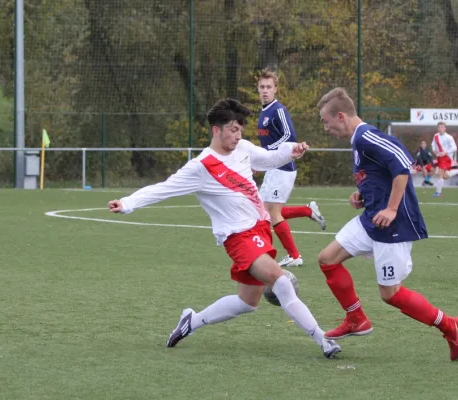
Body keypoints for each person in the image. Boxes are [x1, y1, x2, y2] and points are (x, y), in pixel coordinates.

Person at [108, 98, 341, 358]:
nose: (238, 135)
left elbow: (268, 159)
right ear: (216, 130)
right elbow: (164, 188)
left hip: (261, 229)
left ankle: (191, 321)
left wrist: (291, 151)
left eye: (240, 129)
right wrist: (127, 202)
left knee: (247, 302)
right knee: (281, 281)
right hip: (238, 238)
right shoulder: (201, 166)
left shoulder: (242, 147)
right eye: (232, 129)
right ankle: (324, 340)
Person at [315, 87, 458, 361]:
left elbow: (401, 166)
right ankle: (356, 319)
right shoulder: (358, 141)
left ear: (340, 116)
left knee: (390, 294)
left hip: (392, 225)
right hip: (371, 218)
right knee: (327, 259)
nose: (326, 128)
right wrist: (363, 194)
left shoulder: (366, 137)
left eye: (326, 122)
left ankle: (450, 325)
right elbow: (379, 173)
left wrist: (392, 208)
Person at [257, 68, 326, 268]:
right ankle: (307, 211)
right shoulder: (263, 113)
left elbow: (289, 136)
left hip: (283, 168)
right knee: (264, 211)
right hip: (273, 168)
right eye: (262, 87)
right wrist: (261, 162)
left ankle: (294, 255)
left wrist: (267, 153)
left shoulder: (278, 110)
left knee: (272, 213)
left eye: (269, 87)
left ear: (275, 89)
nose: (265, 90)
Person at [431, 122, 458, 197]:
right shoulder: (435, 136)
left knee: (440, 173)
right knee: (444, 176)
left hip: (446, 158)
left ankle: (438, 192)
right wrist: (434, 150)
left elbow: (454, 148)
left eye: (442, 127)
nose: (440, 129)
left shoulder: (449, 137)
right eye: (439, 127)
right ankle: (455, 171)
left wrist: (446, 152)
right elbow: (433, 144)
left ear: (445, 128)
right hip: (439, 157)